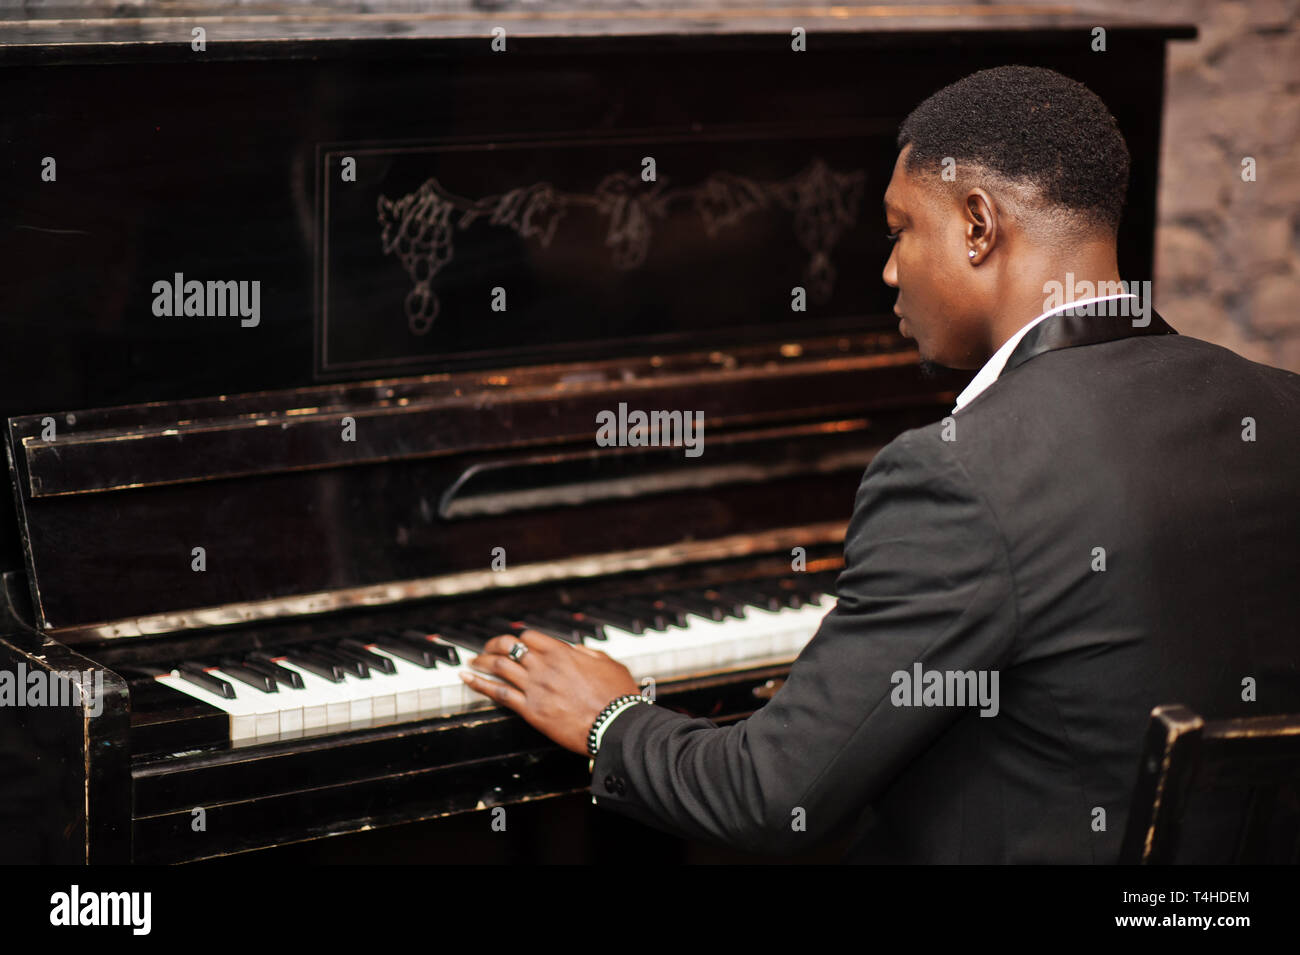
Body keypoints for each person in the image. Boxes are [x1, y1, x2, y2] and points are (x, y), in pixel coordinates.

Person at [460, 65, 1300, 863]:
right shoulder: (1283, 405)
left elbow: (769, 795)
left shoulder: (962, 473)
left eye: (901, 229)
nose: (890, 269)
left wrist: (613, 717)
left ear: (979, 225)